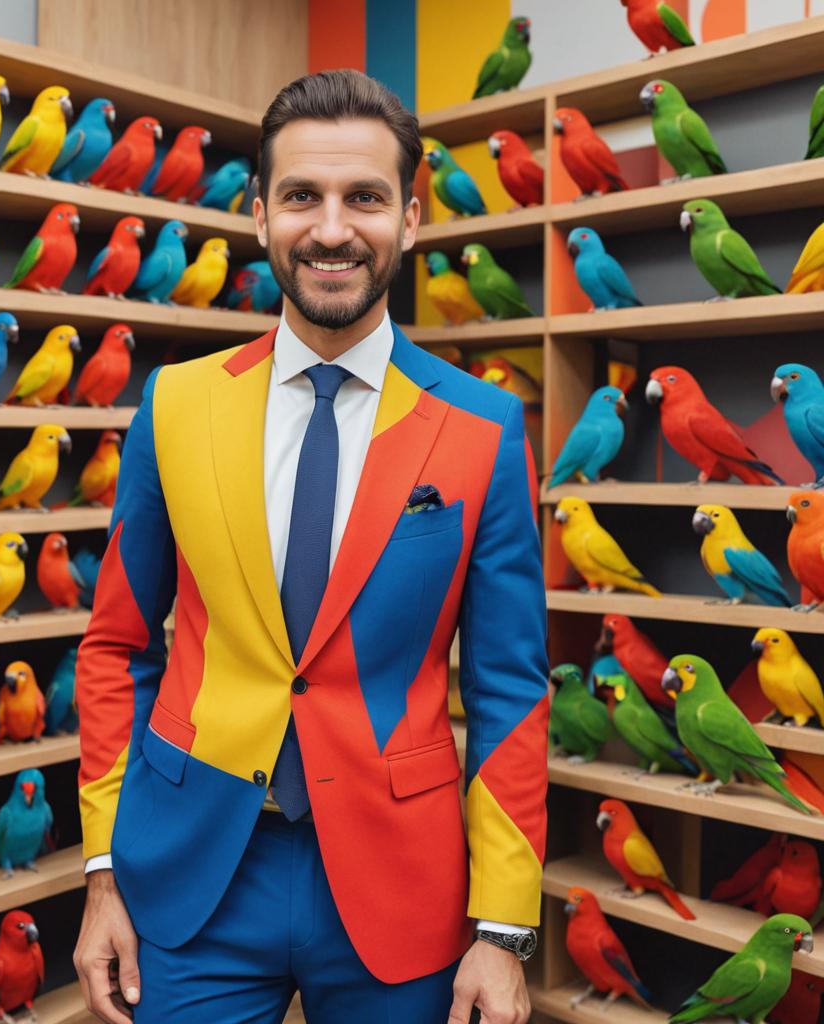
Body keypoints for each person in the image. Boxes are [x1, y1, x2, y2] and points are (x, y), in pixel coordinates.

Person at [73, 68, 548, 1024]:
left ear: (411, 219)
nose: (332, 230)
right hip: (192, 873)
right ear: (259, 215)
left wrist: (502, 933)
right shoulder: (177, 404)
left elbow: (509, 688)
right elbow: (115, 647)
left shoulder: (484, 429)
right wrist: (101, 875)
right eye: (302, 197)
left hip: (397, 886)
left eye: (364, 198)